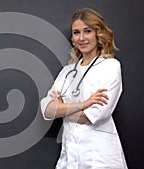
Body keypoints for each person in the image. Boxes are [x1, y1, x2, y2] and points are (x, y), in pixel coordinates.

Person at [40, 8, 128, 168]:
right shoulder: (68, 71)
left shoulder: (110, 66)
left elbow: (95, 115)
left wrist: (62, 110)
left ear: (98, 33)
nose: (81, 38)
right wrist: (84, 105)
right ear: (72, 38)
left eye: (87, 31)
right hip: (70, 156)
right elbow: (47, 110)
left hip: (99, 157)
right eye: (76, 32)